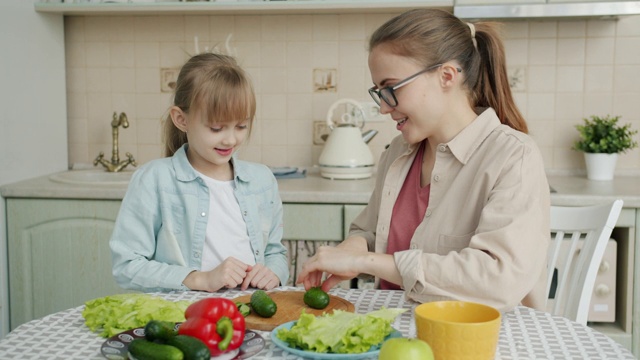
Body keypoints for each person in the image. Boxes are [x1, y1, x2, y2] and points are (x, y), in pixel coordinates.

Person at [297, 9, 550, 312]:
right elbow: (371, 232)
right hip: (393, 329)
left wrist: (367, 261)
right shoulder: (396, 152)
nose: (383, 108)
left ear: (446, 76)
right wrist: (356, 246)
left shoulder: (513, 156)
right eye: (379, 93)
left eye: (391, 88)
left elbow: (497, 280)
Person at [110, 53, 289, 293]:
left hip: (251, 314)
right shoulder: (154, 180)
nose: (230, 139)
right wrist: (199, 279)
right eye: (216, 128)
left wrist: (273, 273)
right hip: (183, 319)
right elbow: (127, 266)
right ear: (181, 119)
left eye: (241, 126)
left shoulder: (262, 180)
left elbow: (275, 252)